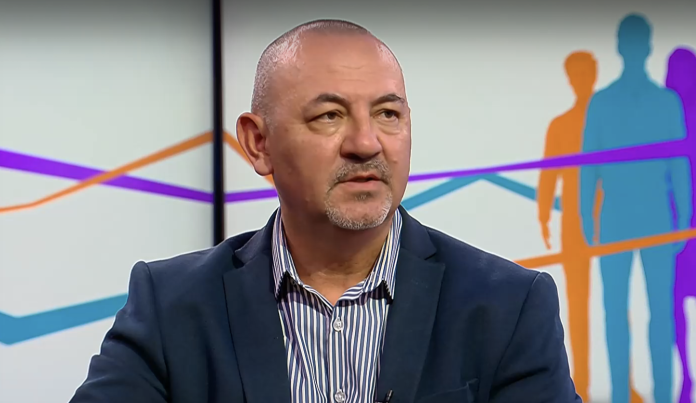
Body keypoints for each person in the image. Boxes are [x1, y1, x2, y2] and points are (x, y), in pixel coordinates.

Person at [69, 19, 580, 403]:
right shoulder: (171, 306)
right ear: (258, 143)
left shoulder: (508, 306)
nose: (366, 143)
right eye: (330, 115)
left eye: (388, 114)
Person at [579, 14, 692, 403]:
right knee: (616, 313)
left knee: (659, 312)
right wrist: (586, 216)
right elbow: (588, 164)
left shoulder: (665, 102)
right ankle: (619, 396)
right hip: (618, 216)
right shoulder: (603, 102)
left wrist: (684, 218)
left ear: (641, 47)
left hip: (655, 216)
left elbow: (679, 163)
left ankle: (662, 396)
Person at [537, 51, 644, 403]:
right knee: (576, 308)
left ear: (594, 74)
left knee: (617, 305)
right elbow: (549, 173)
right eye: (576, 74)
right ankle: (578, 384)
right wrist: (543, 214)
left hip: (613, 220)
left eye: (587, 73)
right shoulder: (561, 125)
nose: (581, 80)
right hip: (574, 223)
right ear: (570, 78)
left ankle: (623, 385)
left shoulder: (614, 122)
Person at [665, 46, 696, 403]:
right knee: (673, 305)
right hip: (670, 226)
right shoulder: (664, 117)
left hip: (691, 221)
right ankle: (686, 375)